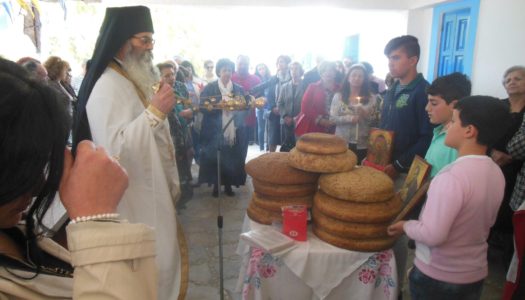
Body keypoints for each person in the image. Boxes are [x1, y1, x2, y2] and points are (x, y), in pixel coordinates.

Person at [0, 57, 157, 299]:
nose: (36, 189)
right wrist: (97, 220)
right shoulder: (105, 87)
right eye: (17, 168)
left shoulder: (12, 230)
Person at [73, 6, 187, 299]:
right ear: (123, 41)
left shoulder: (127, 77)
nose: (150, 49)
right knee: (151, 266)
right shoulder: (106, 85)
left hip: (148, 186)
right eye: (144, 40)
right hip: (132, 198)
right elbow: (114, 150)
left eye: (152, 41)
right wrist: (155, 112)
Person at [388, 96, 511, 300]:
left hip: (439, 276)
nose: (447, 127)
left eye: (453, 121)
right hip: (474, 273)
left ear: (469, 131)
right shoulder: (494, 171)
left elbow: (433, 234)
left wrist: (404, 226)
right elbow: (486, 222)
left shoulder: (450, 176)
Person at [490, 66, 525, 267]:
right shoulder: (497, 107)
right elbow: (484, 134)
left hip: (518, 170)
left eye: (518, 78)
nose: (512, 81)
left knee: (510, 212)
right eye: (508, 79)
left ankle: (507, 259)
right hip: (493, 163)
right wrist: (493, 152)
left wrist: (511, 156)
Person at [198, 58, 249, 197]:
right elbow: (202, 106)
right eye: (224, 70)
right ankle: (216, 185)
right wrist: (217, 106)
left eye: (229, 70)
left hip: (234, 129)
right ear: (219, 72)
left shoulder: (238, 89)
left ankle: (228, 185)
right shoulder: (210, 88)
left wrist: (239, 109)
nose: (227, 73)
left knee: (231, 158)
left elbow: (246, 108)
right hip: (215, 129)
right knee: (216, 158)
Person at [158, 63, 194, 207]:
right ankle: (171, 200)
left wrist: (190, 112)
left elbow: (189, 106)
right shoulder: (155, 89)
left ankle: (183, 196)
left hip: (183, 130)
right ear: (159, 77)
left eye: (172, 74)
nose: (171, 78)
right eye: (167, 75)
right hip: (167, 134)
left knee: (184, 161)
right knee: (171, 164)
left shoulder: (180, 86)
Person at [425, 72, 471, 178]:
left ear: (454, 105)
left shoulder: (456, 142)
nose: (427, 108)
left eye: (434, 103)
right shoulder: (440, 130)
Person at [330, 63, 377, 162]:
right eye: (354, 75)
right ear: (348, 78)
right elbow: (332, 119)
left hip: (362, 143)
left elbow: (374, 121)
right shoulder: (338, 96)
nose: (357, 78)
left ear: (364, 79)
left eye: (360, 76)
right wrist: (349, 119)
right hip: (342, 142)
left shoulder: (371, 98)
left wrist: (364, 113)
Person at [295, 61, 340, 137]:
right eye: (325, 70)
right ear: (321, 73)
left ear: (335, 73)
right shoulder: (313, 87)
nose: (328, 73)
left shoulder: (340, 88)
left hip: (335, 128)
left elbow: (344, 106)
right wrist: (320, 120)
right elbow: (305, 106)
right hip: (314, 126)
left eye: (331, 70)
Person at [232, 55, 261, 151]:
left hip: (248, 120)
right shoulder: (230, 78)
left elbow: (262, 98)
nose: (243, 66)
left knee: (243, 149)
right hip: (230, 120)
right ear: (236, 64)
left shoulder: (256, 79)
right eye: (241, 63)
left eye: (246, 64)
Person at [277, 61, 305, 151]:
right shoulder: (284, 86)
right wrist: (285, 116)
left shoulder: (306, 85)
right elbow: (279, 103)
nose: (294, 71)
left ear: (301, 71)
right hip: (286, 122)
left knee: (300, 147)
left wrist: (296, 118)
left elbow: (308, 105)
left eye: (296, 69)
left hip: (301, 121)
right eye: (292, 69)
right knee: (286, 148)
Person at [254, 63, 272, 151]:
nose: (262, 70)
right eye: (259, 69)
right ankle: (261, 147)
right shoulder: (256, 80)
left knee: (269, 127)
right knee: (261, 127)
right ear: (257, 71)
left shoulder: (271, 78)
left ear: (266, 68)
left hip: (269, 106)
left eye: (263, 68)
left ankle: (268, 146)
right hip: (259, 106)